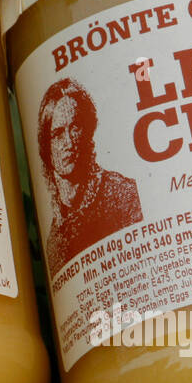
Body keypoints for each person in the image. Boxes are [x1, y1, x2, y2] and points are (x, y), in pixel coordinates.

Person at [36, 78, 142, 275]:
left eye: (75, 128)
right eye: (58, 133)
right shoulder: (53, 241)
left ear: (87, 132)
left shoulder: (122, 194)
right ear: (46, 147)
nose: (69, 142)